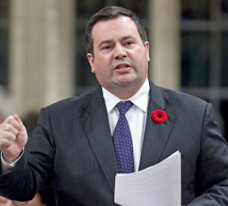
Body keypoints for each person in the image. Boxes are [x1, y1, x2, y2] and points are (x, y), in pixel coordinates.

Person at [0, 6, 228, 206]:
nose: (120, 53)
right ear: (92, 61)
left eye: (128, 43)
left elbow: (223, 185)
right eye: (107, 47)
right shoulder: (59, 120)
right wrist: (12, 157)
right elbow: (22, 188)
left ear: (146, 51)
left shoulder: (194, 115)